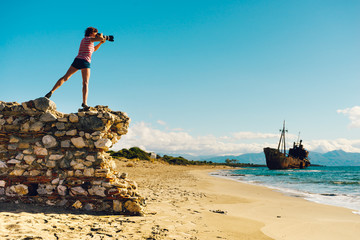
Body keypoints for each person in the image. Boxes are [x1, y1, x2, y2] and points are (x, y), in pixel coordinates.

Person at [45, 27, 105, 109]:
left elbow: (93, 49)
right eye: (95, 32)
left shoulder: (86, 40)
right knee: (85, 83)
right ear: (91, 33)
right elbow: (100, 37)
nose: (96, 34)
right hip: (85, 62)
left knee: (65, 77)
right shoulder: (89, 38)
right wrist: (101, 36)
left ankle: (51, 91)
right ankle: (85, 103)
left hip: (77, 60)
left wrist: (100, 43)